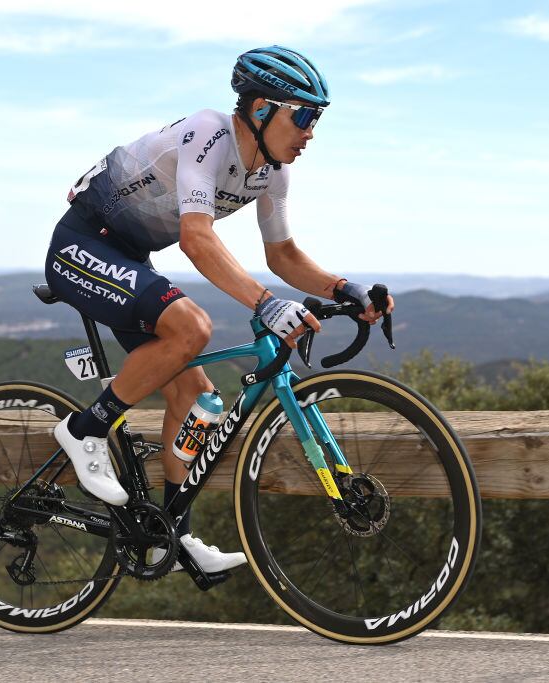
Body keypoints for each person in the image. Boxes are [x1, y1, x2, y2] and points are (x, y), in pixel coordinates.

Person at [45, 46, 394, 573]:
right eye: (303, 115)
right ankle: (84, 431)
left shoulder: (272, 172)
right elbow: (196, 238)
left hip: (128, 256)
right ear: (260, 110)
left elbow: (283, 256)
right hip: (83, 245)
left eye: (316, 118)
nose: (311, 131)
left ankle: (171, 536)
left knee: (198, 401)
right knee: (193, 327)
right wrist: (267, 305)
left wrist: (345, 288)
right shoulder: (209, 133)